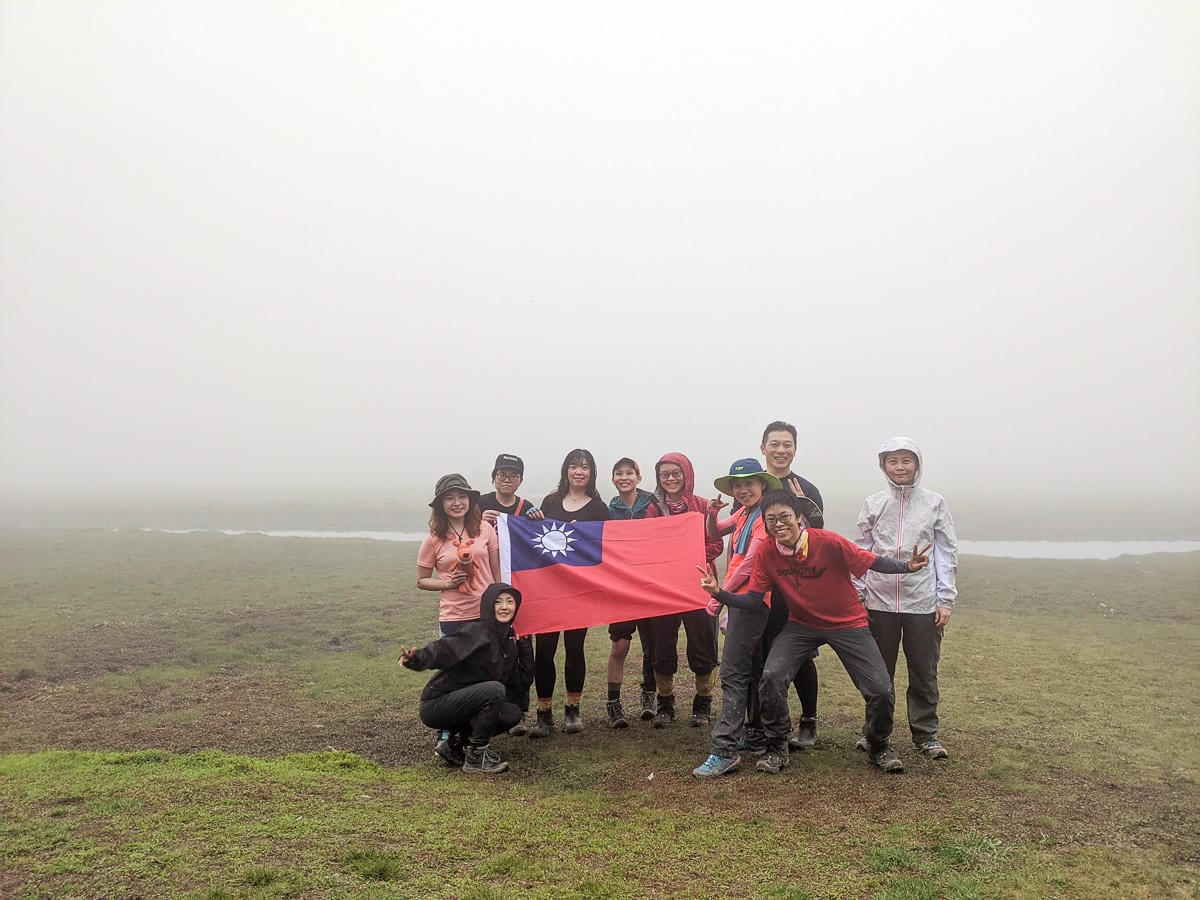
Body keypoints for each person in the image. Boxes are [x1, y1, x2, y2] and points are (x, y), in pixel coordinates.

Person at [700, 490, 931, 775]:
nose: (779, 524)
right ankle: (776, 746)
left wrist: (907, 566)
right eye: (771, 520)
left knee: (880, 688)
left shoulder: (828, 542)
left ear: (799, 517)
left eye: (785, 517)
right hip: (802, 625)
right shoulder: (767, 553)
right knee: (771, 677)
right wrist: (719, 593)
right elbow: (753, 600)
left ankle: (878, 744)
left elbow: (872, 561)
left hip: (848, 623)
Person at [854, 437, 959, 760]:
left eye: (906, 460)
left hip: (922, 602)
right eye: (893, 461)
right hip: (879, 601)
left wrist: (944, 598)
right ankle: (875, 732)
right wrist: (858, 594)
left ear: (917, 464)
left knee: (924, 671)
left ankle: (926, 735)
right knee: (878, 674)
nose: (900, 467)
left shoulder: (934, 503)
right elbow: (861, 551)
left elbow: (946, 551)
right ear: (883, 465)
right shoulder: (873, 503)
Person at [693, 459, 780, 778]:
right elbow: (715, 531)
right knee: (752, 670)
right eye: (737, 485)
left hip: (749, 602)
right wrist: (712, 513)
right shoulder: (744, 513)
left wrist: (718, 598)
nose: (743, 490)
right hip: (745, 601)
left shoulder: (763, 520)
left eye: (749, 484)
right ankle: (756, 736)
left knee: (732, 673)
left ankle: (724, 750)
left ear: (763, 485)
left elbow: (749, 564)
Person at [399, 583, 533, 774]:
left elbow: (521, 683)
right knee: (495, 690)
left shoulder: (508, 646)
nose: (504, 607)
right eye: (498, 602)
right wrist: (417, 659)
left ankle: (455, 745)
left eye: (510, 602)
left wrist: (525, 647)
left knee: (511, 712)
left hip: (468, 703)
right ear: (488, 605)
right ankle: (476, 757)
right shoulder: (477, 632)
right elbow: (444, 649)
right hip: (436, 703)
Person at [415, 473, 502, 757]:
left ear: (470, 500)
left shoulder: (484, 529)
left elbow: (496, 572)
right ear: (440, 504)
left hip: (485, 616)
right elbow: (421, 579)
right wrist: (447, 583)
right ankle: (445, 734)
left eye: (462, 496)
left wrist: (500, 605)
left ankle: (470, 734)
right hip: (454, 617)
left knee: (481, 673)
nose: (457, 503)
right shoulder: (433, 539)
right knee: (453, 675)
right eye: (450, 498)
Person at [528, 449, 611, 737]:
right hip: (548, 588)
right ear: (566, 470)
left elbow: (605, 548)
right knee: (544, 650)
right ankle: (543, 713)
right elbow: (535, 539)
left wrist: (583, 534)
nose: (579, 472)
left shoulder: (599, 508)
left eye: (585, 467)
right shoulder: (550, 502)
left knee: (575, 648)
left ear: (592, 473)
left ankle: (573, 710)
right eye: (574, 466)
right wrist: (533, 519)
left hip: (579, 590)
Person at [644, 453, 725, 728]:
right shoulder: (654, 509)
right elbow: (648, 544)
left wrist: (687, 555)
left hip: (700, 586)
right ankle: (665, 704)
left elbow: (716, 544)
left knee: (702, 645)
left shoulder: (702, 506)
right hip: (665, 589)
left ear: (687, 474)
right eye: (664, 474)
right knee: (662, 646)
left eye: (675, 473)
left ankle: (703, 703)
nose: (670, 479)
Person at [759, 420, 824, 752]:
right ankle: (766, 723)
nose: (780, 450)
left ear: (795, 450)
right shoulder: (753, 485)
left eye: (787, 444)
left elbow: (819, 539)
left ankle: (809, 721)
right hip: (760, 587)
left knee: (801, 654)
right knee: (761, 653)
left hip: (796, 588)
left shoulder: (807, 489)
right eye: (774, 444)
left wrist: (805, 509)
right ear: (763, 448)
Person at [604, 457, 665, 727]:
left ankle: (649, 696)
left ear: (639, 478)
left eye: (630, 473)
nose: (624, 477)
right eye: (619, 473)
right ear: (613, 479)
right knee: (620, 645)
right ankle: (613, 703)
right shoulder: (609, 509)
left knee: (652, 646)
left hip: (650, 585)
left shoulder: (653, 504)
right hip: (621, 587)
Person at [478, 453, 546, 524]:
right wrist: (479, 520)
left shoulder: (526, 508)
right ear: (494, 478)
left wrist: (537, 518)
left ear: (520, 480)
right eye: (502, 475)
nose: (507, 480)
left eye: (513, 476)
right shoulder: (480, 503)